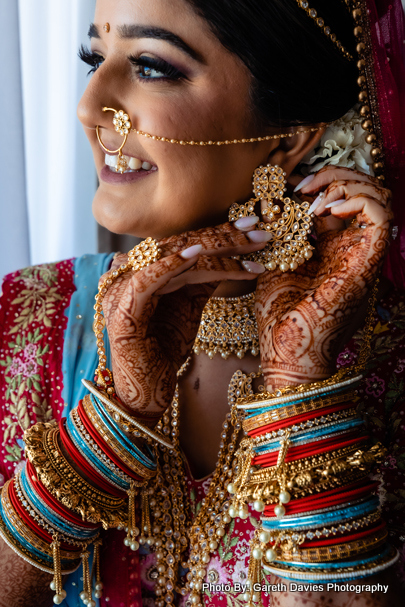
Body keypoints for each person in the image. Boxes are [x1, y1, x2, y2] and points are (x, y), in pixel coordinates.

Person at [0, 1, 404, 606]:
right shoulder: (26, 318)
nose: (88, 107)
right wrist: (107, 428)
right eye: (94, 58)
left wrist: (300, 384)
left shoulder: (388, 363)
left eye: (151, 66)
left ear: (288, 139)